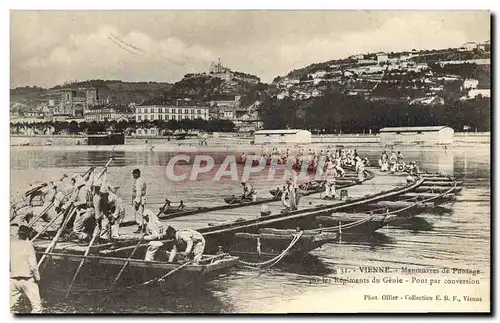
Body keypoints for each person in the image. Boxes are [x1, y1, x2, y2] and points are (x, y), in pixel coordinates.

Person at [10, 223, 42, 313]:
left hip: (13, 279)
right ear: (28, 235)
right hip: (27, 279)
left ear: (18, 234)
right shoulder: (28, 245)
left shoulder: (11, 245)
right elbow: (33, 265)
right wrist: (37, 278)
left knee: (9, 307)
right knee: (36, 307)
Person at [68, 175, 94, 243]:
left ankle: (86, 238)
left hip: (84, 211)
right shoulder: (86, 188)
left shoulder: (82, 190)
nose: (73, 183)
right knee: (77, 225)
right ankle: (83, 238)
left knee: (76, 229)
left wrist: (75, 203)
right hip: (88, 210)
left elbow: (83, 201)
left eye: (74, 182)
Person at [132, 169, 147, 233]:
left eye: (134, 174)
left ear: (137, 174)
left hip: (139, 200)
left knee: (139, 214)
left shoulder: (138, 182)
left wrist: (137, 202)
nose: (133, 175)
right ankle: (143, 227)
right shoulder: (140, 180)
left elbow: (139, 192)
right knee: (141, 214)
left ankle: (140, 228)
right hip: (142, 199)